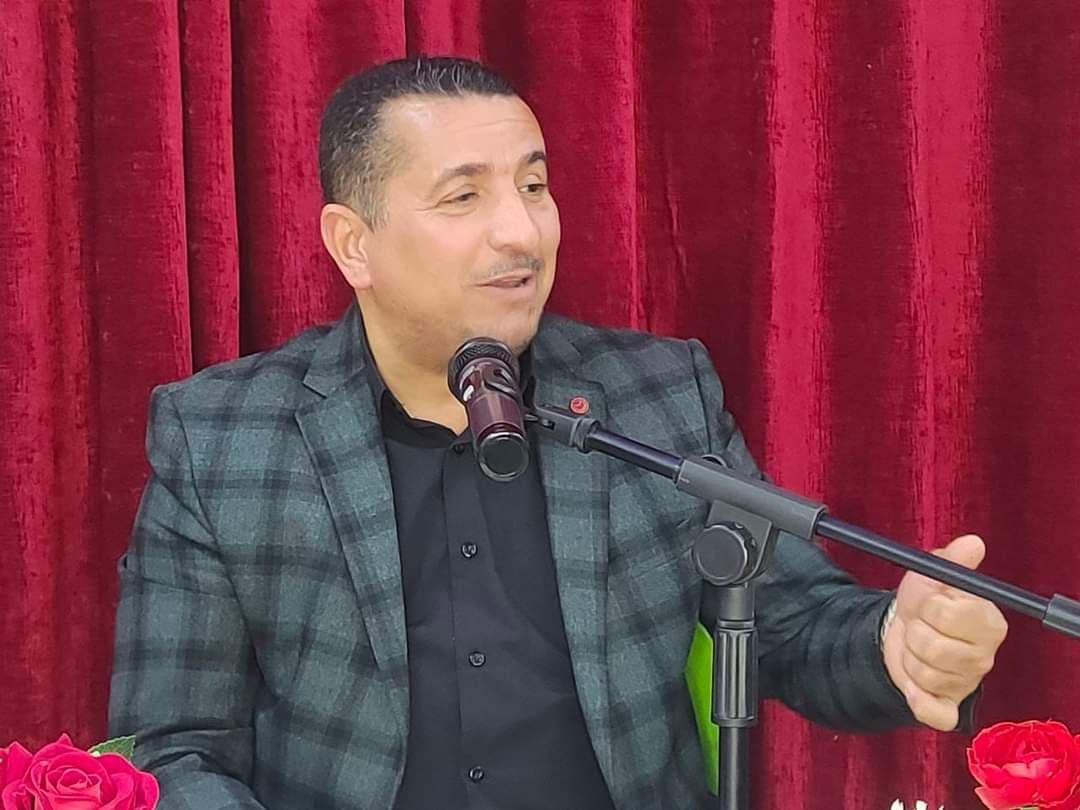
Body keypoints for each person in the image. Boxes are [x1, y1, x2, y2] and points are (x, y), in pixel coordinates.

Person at [108, 56, 1009, 810]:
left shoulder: (657, 396)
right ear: (354, 244)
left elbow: (795, 627)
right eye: (464, 197)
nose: (522, 231)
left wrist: (894, 645)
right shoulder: (223, 437)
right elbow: (174, 747)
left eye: (534, 186)